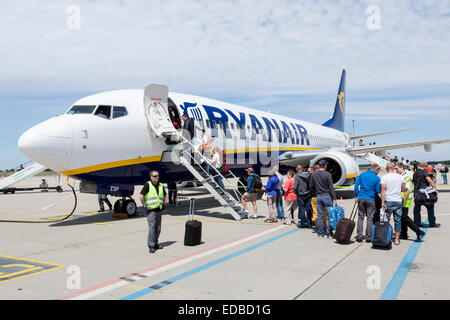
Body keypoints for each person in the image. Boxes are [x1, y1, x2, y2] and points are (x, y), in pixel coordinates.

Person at [395, 163, 426, 242]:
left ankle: (419, 232)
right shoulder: (400, 176)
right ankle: (404, 234)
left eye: (397, 168)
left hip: (404, 200)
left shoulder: (406, 176)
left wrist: (403, 201)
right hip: (401, 200)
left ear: (402, 167)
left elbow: (407, 190)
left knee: (404, 217)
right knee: (402, 217)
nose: (396, 170)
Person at [139, 170, 167, 253]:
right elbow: (141, 195)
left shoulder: (161, 185)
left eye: (158, 176)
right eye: (155, 176)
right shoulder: (148, 185)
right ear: (151, 177)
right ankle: (151, 245)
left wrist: (164, 204)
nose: (157, 177)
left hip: (159, 209)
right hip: (151, 210)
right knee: (152, 228)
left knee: (158, 228)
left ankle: (155, 243)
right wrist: (144, 205)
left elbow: (165, 195)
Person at [353, 163, 381, 243]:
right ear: (376, 169)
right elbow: (378, 190)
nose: (378, 172)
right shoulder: (377, 178)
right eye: (378, 170)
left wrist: (356, 196)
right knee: (370, 218)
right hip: (371, 199)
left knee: (360, 217)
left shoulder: (361, 175)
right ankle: (368, 237)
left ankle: (359, 235)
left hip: (361, 198)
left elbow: (356, 186)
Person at [309, 160, 337, 238]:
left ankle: (320, 233)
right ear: (325, 166)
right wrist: (334, 198)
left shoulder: (314, 174)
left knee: (320, 215)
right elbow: (331, 187)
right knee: (329, 215)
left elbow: (311, 186)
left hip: (319, 196)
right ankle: (329, 233)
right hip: (327, 196)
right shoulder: (328, 174)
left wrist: (317, 190)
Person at [381, 163, 406, 246]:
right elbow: (403, 189)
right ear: (394, 168)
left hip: (388, 200)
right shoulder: (401, 177)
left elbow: (383, 191)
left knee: (386, 220)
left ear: (386, 169)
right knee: (398, 220)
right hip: (398, 201)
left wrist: (382, 202)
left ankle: (385, 237)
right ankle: (397, 240)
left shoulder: (384, 177)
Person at [413, 162, 439, 228]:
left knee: (417, 208)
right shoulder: (424, 172)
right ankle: (432, 223)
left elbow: (414, 182)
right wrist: (435, 188)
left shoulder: (415, 173)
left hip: (417, 193)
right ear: (424, 166)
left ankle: (417, 223)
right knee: (430, 207)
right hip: (425, 193)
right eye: (426, 167)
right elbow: (428, 179)